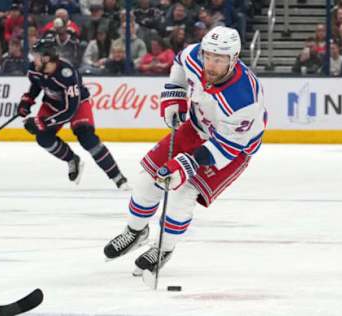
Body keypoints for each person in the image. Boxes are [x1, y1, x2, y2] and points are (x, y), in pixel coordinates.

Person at [103, 26, 267, 275]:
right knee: (148, 179)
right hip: (196, 126)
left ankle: (163, 248)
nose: (210, 64)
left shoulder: (244, 98)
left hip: (232, 148)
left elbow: (228, 146)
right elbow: (179, 64)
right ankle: (135, 231)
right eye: (208, 56)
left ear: (233, 59)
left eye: (219, 59)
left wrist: (185, 165)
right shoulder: (194, 56)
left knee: (183, 193)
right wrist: (175, 95)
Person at [17, 35, 130, 190]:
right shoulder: (34, 68)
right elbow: (37, 84)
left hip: (76, 105)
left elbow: (70, 110)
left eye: (37, 57)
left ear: (46, 58)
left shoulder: (67, 74)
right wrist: (27, 101)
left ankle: (118, 178)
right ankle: (72, 159)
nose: (33, 60)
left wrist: (43, 122)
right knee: (43, 138)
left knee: (87, 138)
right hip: (52, 104)